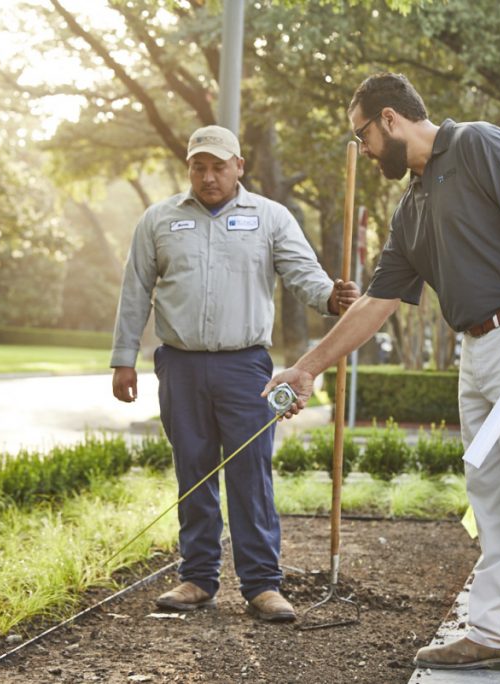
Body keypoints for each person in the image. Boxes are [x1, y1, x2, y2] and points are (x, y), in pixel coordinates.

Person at [263, 74, 500, 681]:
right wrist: (308, 367)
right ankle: (497, 631)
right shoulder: (412, 206)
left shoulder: (476, 143)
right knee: (490, 492)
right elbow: (376, 301)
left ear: (389, 119)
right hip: (476, 348)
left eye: (361, 135)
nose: (362, 150)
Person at [110, 124, 359, 623]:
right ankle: (198, 579)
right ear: (189, 169)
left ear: (239, 166)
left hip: (247, 367)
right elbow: (135, 291)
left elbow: (301, 272)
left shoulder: (270, 217)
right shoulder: (159, 220)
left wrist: (331, 297)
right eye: (199, 167)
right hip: (178, 364)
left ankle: (262, 586)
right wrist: (123, 357)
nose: (208, 177)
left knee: (251, 474)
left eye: (218, 166)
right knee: (193, 470)